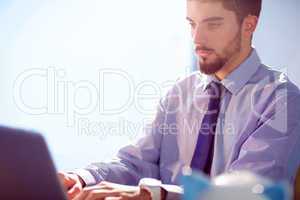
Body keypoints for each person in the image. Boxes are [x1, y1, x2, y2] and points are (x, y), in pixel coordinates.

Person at [59, 0, 300, 199]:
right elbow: (135, 163)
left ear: (249, 25)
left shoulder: (282, 101)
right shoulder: (179, 93)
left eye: (212, 25)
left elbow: (244, 195)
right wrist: (81, 178)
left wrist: (155, 195)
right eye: (192, 24)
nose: (197, 38)